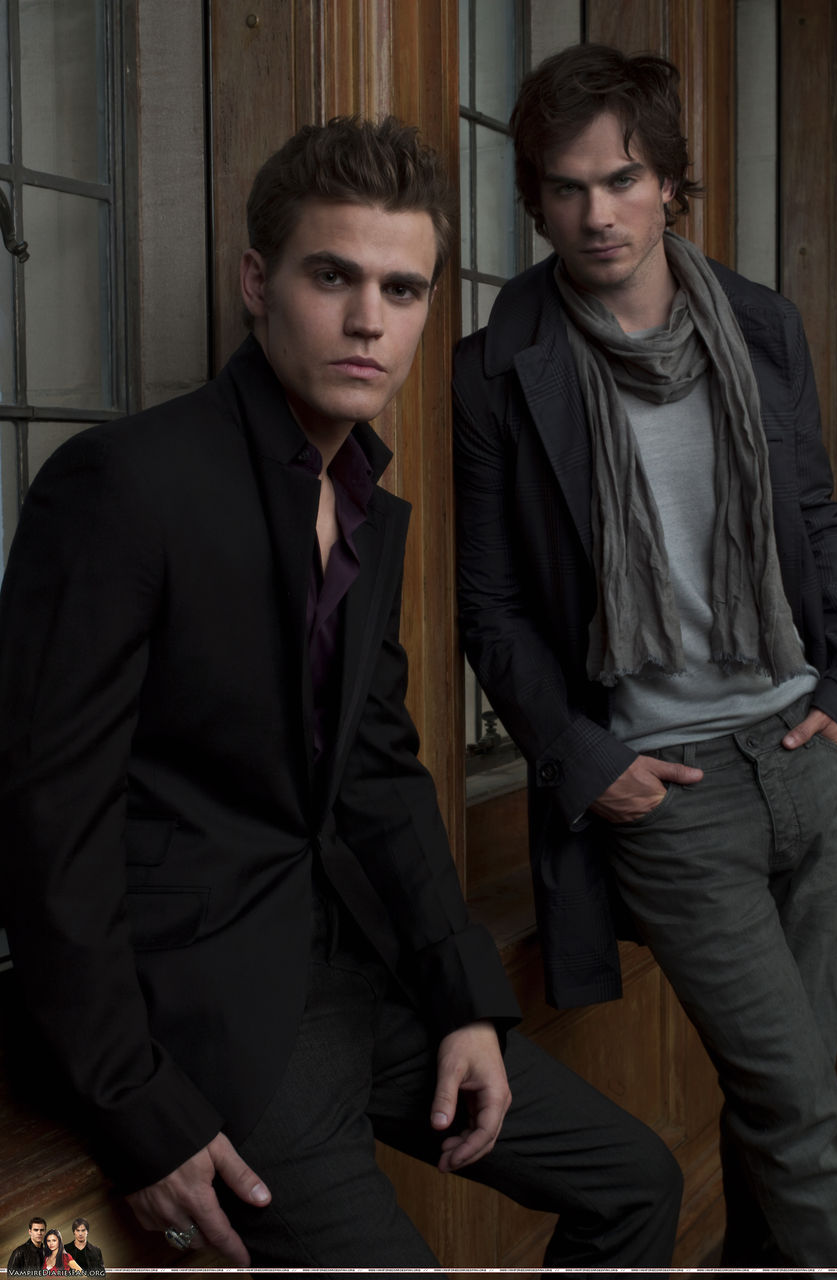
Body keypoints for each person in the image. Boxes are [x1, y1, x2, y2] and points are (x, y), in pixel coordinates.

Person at [0, 115, 681, 1273]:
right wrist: (132, 1102)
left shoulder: (365, 501)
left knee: (637, 1182)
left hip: (359, 978)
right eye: (333, 277)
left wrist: (465, 999)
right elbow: (44, 819)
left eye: (402, 289)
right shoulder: (122, 484)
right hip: (203, 1015)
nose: (370, 320)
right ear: (257, 283)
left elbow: (378, 773)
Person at [452, 43, 837, 1269]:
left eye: (622, 179)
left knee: (782, 1097)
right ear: (535, 199)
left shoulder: (759, 324)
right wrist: (582, 757)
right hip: (674, 791)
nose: (596, 213)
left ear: (667, 183)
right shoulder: (498, 369)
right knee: (799, 1111)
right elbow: (491, 608)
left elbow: (814, 516)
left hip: (803, 750)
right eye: (565, 188)